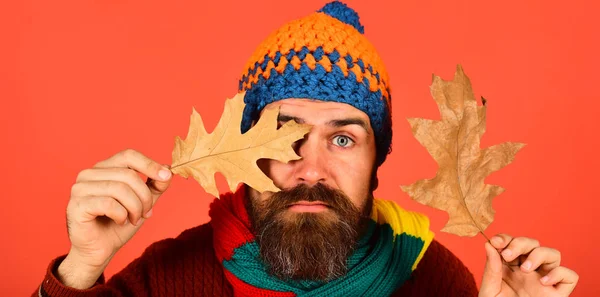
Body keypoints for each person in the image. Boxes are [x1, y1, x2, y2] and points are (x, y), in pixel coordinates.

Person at [33, 2, 578, 296]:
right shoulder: (166, 277)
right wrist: (80, 268)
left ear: (376, 161)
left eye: (343, 138)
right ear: (246, 149)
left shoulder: (438, 282)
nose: (310, 168)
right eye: (286, 135)